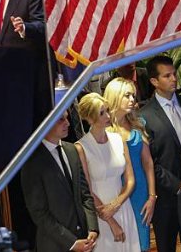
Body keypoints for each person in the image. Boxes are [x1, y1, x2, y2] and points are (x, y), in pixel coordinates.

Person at [139, 55, 181, 252]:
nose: (174, 79)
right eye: (167, 76)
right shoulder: (145, 115)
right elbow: (149, 162)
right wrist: (178, 185)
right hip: (166, 197)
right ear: (154, 81)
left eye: (174, 74)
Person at [20, 111, 99, 252]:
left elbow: (85, 194)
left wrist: (92, 228)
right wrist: (72, 243)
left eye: (67, 118)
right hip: (55, 245)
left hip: (85, 240)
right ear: (46, 123)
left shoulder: (72, 149)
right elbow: (39, 214)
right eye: (61, 119)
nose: (68, 123)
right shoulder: (32, 161)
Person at [76, 93, 140, 251]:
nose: (108, 115)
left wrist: (117, 203)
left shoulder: (119, 139)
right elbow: (87, 190)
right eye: (101, 113)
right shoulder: (81, 147)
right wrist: (110, 219)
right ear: (90, 119)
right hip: (100, 213)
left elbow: (130, 179)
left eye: (108, 110)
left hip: (123, 207)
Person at [103, 78, 156, 251]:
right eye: (127, 95)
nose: (132, 99)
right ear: (115, 96)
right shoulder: (101, 128)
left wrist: (152, 196)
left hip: (139, 191)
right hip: (114, 191)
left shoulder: (137, 124)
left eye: (133, 95)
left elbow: (148, 163)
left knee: (141, 243)